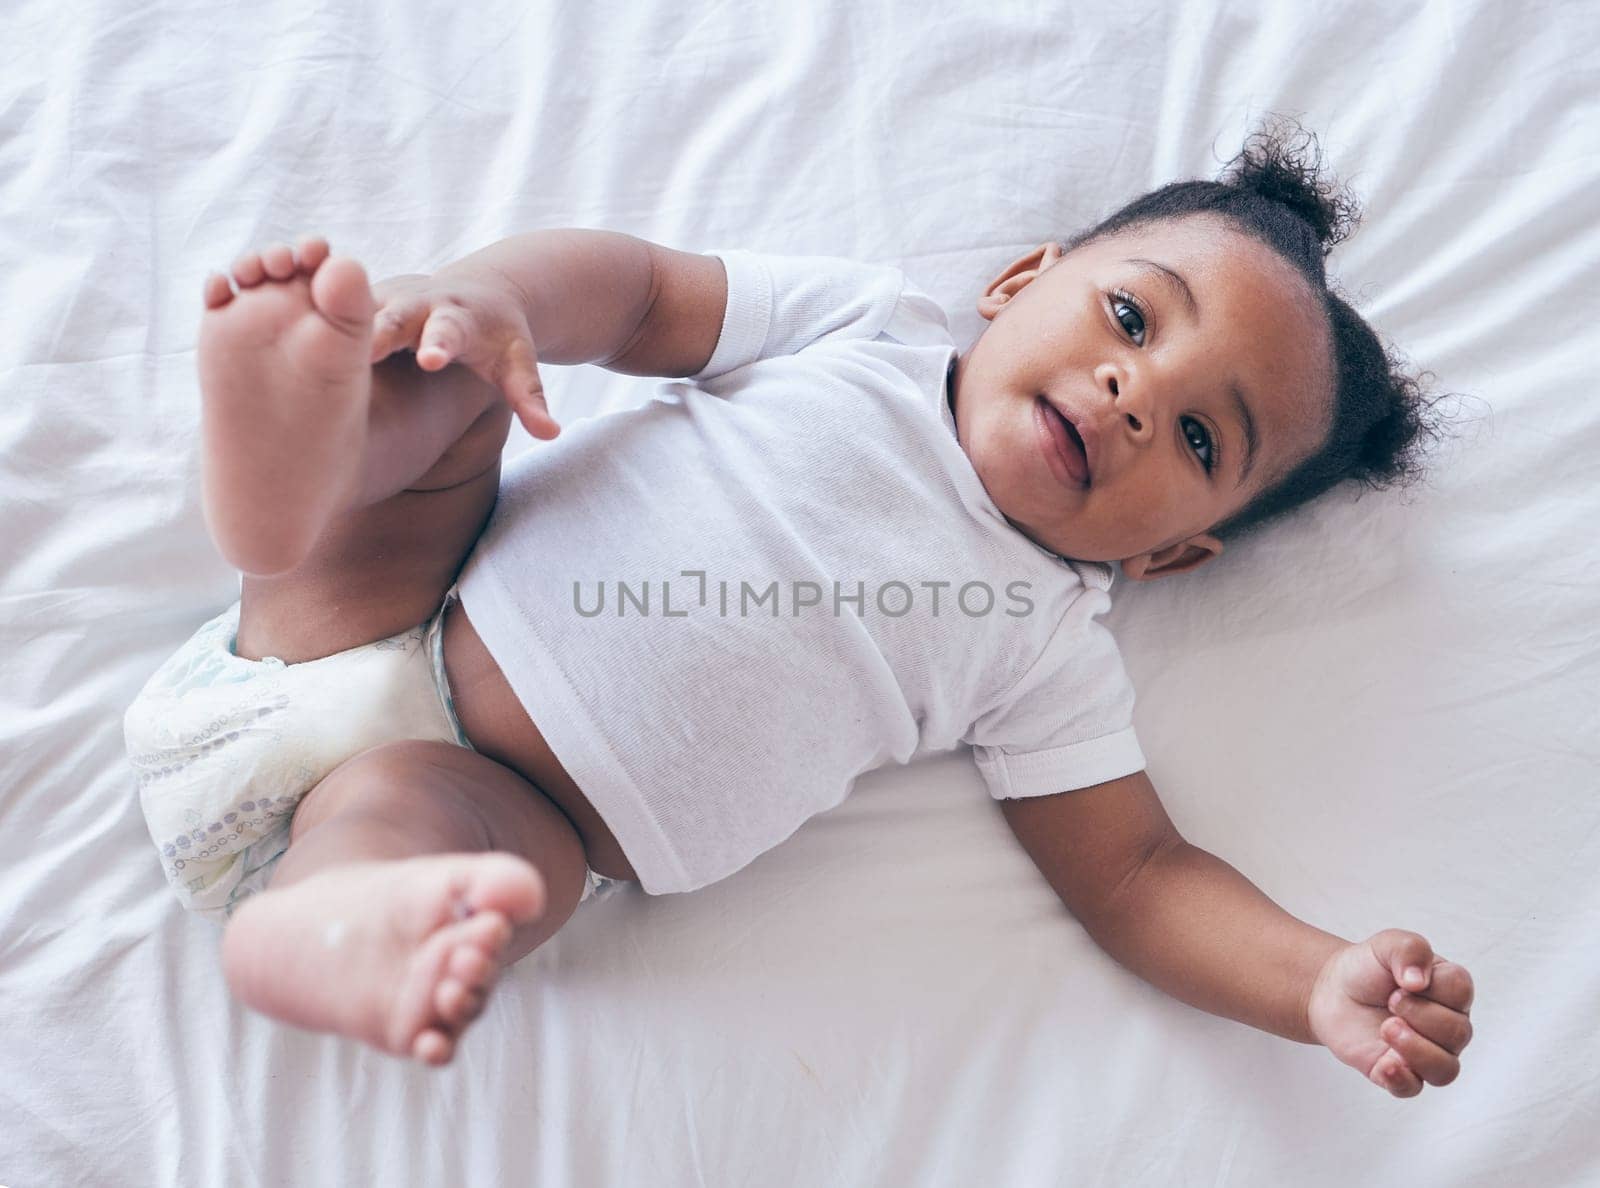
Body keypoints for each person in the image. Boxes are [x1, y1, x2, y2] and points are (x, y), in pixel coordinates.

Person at [124, 123, 1474, 1090]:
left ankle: (342, 920)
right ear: (1019, 282)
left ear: (1178, 557)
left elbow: (1137, 877)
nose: (1135, 394)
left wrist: (1309, 982)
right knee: (462, 385)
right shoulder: (867, 329)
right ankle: (294, 453)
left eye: (1198, 443)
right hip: (403, 586)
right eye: (1130, 317)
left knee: (477, 867)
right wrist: (496, 296)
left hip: (500, 805)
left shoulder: (1051, 645)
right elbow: (646, 290)